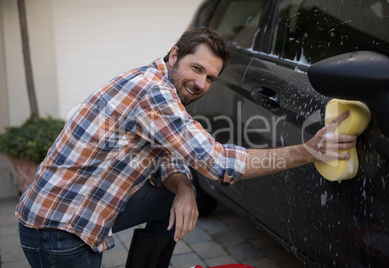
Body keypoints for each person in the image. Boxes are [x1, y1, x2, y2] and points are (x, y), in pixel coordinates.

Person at [16, 27, 356, 268]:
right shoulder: (153, 93)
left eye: (210, 77)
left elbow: (166, 154)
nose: (200, 84)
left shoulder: (160, 82)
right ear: (175, 54)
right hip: (59, 228)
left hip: (80, 210)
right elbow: (219, 163)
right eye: (197, 69)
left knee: (169, 201)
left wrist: (184, 190)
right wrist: (309, 150)